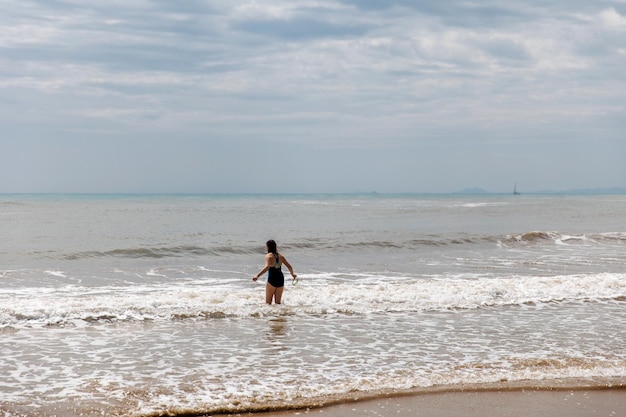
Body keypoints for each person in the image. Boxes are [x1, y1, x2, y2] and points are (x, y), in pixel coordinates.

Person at [253, 239, 297, 304]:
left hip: (272, 279)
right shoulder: (281, 256)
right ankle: (278, 314)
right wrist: (292, 274)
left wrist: (257, 275)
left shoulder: (269, 256)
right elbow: (289, 266)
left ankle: (270, 314)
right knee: (278, 303)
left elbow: (267, 267)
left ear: (268, 247)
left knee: (268, 303)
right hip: (280, 279)